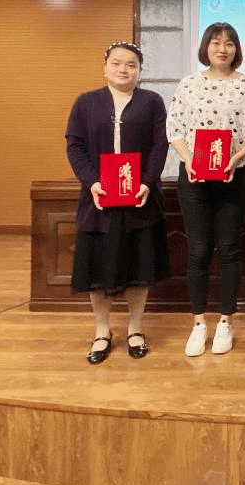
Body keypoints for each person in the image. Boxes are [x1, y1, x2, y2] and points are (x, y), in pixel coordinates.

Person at [167, 23, 245, 357]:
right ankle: (199, 323)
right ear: (205, 47)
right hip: (194, 177)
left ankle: (226, 320)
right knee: (198, 249)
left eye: (229, 43)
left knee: (228, 249)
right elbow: (174, 128)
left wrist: (236, 159)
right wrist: (189, 161)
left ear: (236, 49)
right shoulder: (188, 84)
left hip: (233, 177)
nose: (222, 49)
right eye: (215, 43)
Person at [66, 41, 169, 364]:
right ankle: (102, 330)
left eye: (131, 65)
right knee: (98, 267)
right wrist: (92, 182)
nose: (123, 69)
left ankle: (135, 328)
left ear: (140, 70)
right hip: (99, 198)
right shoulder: (86, 102)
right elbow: (74, 146)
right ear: (105, 66)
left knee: (139, 267)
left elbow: (160, 145)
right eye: (117, 63)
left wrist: (147, 182)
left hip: (140, 198)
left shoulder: (152, 102)